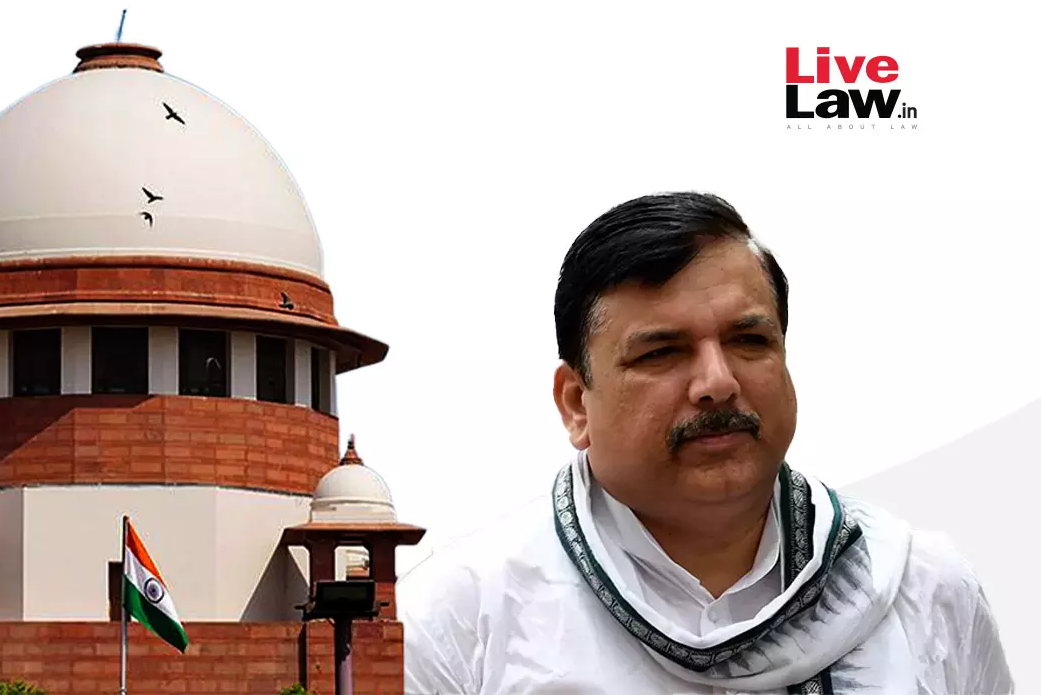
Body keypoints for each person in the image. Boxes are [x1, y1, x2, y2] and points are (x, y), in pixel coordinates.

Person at [397, 192, 1013, 694]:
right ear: (576, 403)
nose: (717, 382)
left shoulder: (923, 589)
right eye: (661, 352)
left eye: (749, 341)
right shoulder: (454, 620)